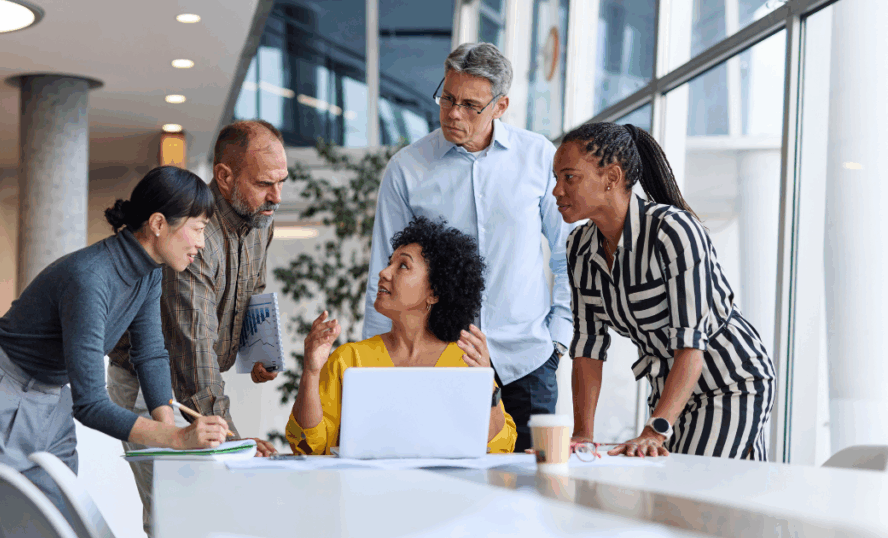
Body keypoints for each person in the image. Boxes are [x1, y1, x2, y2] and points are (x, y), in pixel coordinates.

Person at [0, 166, 230, 538]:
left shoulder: (150, 271)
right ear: (159, 223)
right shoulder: (91, 278)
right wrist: (175, 439)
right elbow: (90, 404)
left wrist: (169, 428)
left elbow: (151, 353)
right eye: (199, 227)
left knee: (54, 527)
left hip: (49, 398)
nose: (202, 242)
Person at [362, 42, 573, 452]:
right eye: (448, 98)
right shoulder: (407, 168)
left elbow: (570, 256)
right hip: (439, 361)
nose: (454, 113)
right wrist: (380, 365)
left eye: (471, 105)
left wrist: (558, 341)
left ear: (501, 105)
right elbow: (383, 273)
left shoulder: (538, 158)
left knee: (535, 494)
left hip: (528, 362)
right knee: (447, 489)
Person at [553, 122, 777, 459]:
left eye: (569, 177)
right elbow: (588, 347)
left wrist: (654, 430)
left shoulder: (672, 231)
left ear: (611, 177)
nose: (556, 190)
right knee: (686, 494)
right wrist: (582, 435)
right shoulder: (579, 248)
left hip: (729, 383)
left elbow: (691, 346)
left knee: (689, 491)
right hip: (668, 392)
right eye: (556, 179)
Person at [107, 120, 286, 536]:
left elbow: (251, 289)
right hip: (146, 386)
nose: (276, 197)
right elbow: (192, 352)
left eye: (282, 181)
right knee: (172, 516)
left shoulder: (261, 217)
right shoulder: (193, 237)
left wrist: (257, 349)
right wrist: (236, 442)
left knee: (204, 511)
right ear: (224, 177)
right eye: (264, 184)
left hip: (190, 382)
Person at [289, 216, 517, 455]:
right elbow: (311, 446)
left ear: (435, 292)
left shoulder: (467, 360)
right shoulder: (348, 359)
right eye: (389, 263)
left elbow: (499, 447)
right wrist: (311, 372)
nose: (384, 272)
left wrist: (486, 388)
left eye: (403, 266)